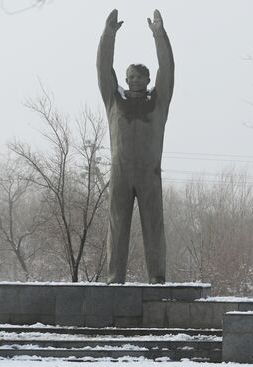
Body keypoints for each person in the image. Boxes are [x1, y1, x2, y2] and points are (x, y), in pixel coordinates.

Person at [97, 9, 174, 284]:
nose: (134, 80)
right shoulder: (114, 101)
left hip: (149, 174)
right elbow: (104, 69)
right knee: (116, 227)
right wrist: (108, 35)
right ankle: (114, 276)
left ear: (148, 80)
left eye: (140, 77)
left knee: (154, 227)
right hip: (120, 173)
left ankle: (156, 277)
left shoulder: (158, 101)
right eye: (130, 76)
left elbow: (168, 70)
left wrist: (159, 35)